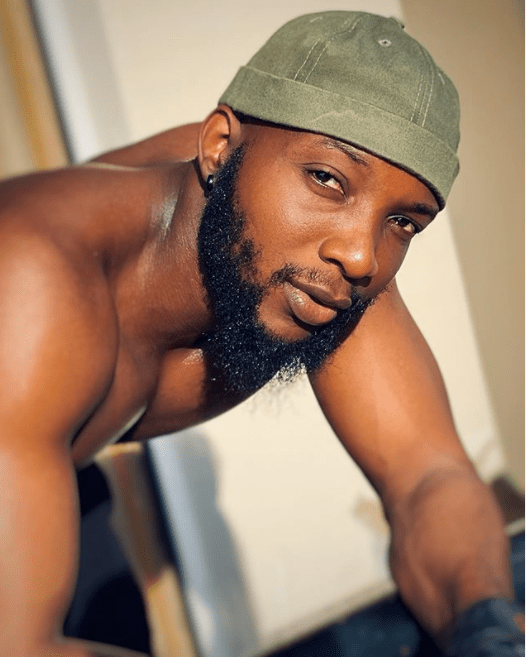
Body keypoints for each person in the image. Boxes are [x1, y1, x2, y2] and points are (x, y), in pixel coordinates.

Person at [0, 10, 522, 657]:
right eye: (327, 179)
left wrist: (485, 626)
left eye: (403, 223)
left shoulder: (319, 270)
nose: (361, 254)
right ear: (219, 146)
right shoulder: (31, 279)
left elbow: (427, 476)